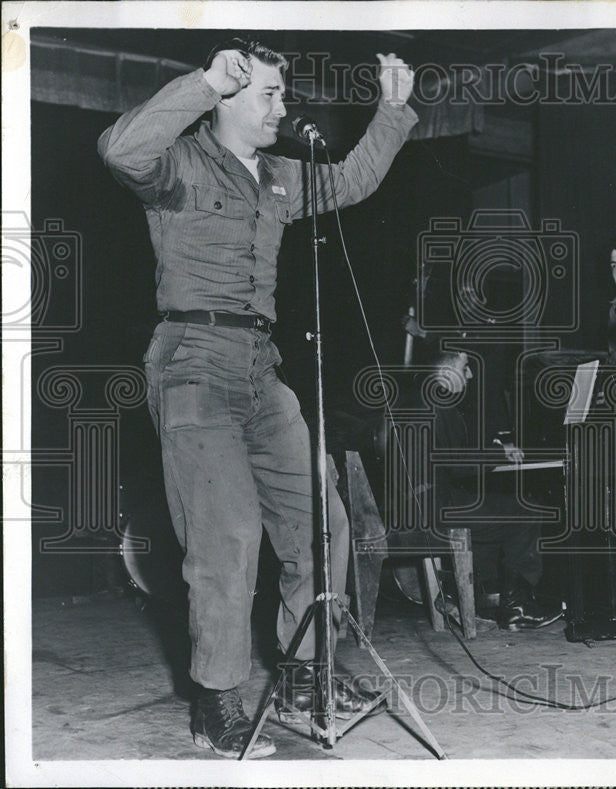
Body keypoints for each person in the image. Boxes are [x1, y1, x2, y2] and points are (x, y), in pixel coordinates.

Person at [98, 38, 417, 757]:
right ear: (229, 100)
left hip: (260, 366)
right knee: (229, 534)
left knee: (320, 520)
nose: (282, 107)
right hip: (192, 364)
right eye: (268, 94)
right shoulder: (178, 163)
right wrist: (202, 81)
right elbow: (121, 151)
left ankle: (305, 673)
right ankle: (217, 700)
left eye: (282, 94)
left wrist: (391, 112)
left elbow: (355, 180)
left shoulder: (279, 175)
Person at [415, 349, 564, 630]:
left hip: (421, 502)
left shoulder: (421, 399)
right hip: (437, 508)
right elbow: (457, 463)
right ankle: (516, 607)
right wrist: (499, 453)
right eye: (465, 367)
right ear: (445, 371)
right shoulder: (437, 403)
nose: (469, 375)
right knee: (525, 511)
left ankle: (454, 593)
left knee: (493, 511)